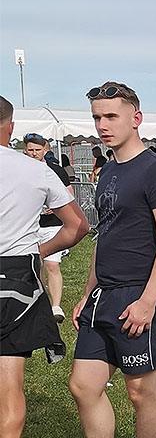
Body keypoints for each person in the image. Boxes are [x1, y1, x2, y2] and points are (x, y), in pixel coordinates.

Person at [53, 82, 156, 438]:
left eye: (111, 116)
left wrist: (148, 301)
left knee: (142, 393)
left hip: (139, 294)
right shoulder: (107, 170)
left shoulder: (155, 171)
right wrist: (88, 291)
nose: (102, 125)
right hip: (104, 295)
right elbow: (105, 235)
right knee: (83, 384)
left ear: (135, 118)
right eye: (96, 117)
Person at [0, 95, 90, 438]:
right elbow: (77, 226)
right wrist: (41, 248)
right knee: (9, 384)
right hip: (15, 279)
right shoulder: (35, 170)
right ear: (11, 127)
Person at [24, 134, 73, 323]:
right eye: (31, 150)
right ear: (25, 150)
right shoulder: (20, 170)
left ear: (45, 150)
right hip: (29, 225)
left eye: (38, 150)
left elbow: (69, 194)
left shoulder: (55, 171)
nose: (34, 153)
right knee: (34, 266)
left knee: (52, 265)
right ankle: (36, 302)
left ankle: (56, 306)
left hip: (53, 225)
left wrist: (55, 206)